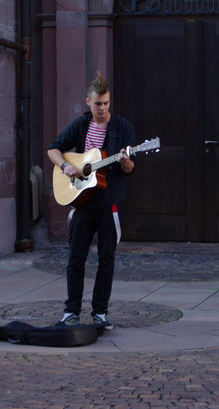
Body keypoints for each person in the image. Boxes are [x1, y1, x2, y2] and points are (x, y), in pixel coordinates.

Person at [47, 72, 136, 330]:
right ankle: (71, 311)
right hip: (82, 203)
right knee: (76, 258)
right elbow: (53, 149)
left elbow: (129, 169)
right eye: (98, 104)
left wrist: (127, 160)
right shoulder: (81, 124)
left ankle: (100, 312)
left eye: (106, 103)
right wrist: (65, 165)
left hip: (109, 204)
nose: (103, 108)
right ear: (88, 102)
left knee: (106, 260)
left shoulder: (122, 128)